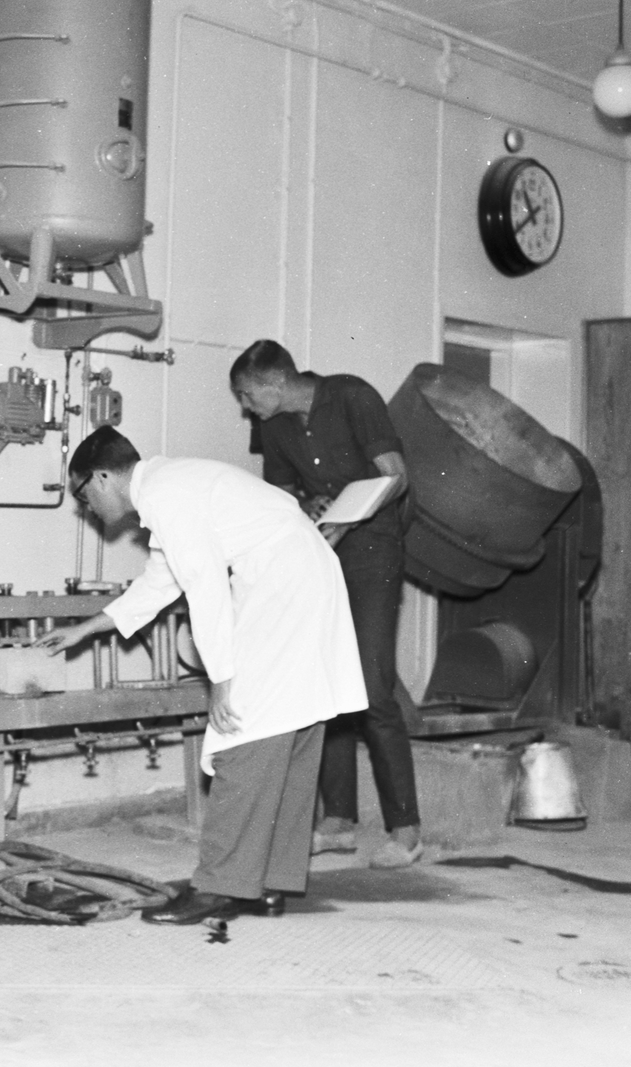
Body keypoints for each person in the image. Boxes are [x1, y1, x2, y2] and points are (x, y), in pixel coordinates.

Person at [35, 427, 367, 925]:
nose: (88, 509)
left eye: (84, 496)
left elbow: (205, 589)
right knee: (291, 725)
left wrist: (223, 681)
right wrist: (85, 629)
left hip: (283, 585)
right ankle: (268, 883)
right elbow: (160, 582)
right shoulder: (170, 488)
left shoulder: (167, 497)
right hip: (305, 576)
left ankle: (218, 886)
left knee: (241, 733)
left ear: (101, 477)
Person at [229, 339, 422, 869]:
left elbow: (395, 476)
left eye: (247, 395)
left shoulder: (353, 397)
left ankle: (406, 830)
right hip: (319, 554)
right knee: (326, 686)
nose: (246, 407)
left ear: (274, 382)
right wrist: (306, 502)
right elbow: (281, 494)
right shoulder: (275, 427)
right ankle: (337, 821)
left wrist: (349, 518)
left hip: (374, 553)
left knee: (374, 687)